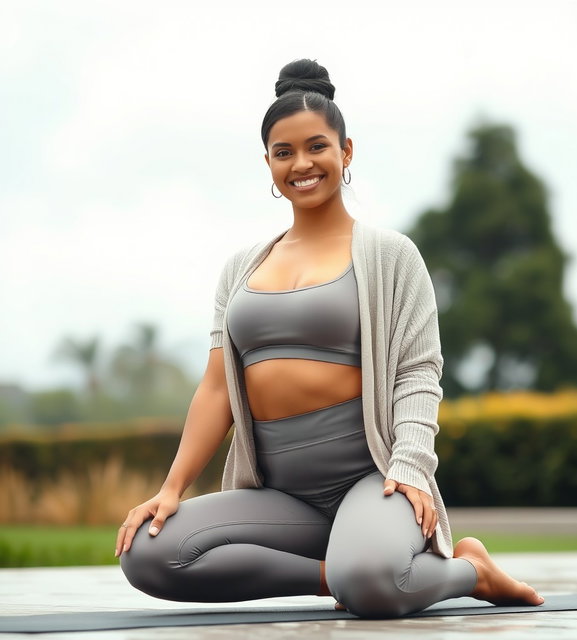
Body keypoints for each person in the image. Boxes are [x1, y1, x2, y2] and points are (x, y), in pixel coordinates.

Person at [116, 58, 544, 618]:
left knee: (372, 582)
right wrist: (171, 489)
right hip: (282, 496)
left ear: (346, 152)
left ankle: (469, 570)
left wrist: (410, 466)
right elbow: (217, 390)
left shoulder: (392, 255)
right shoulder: (240, 269)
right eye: (283, 152)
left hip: (372, 481)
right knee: (149, 553)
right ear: (268, 162)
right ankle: (337, 573)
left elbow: (419, 371)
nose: (302, 164)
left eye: (317, 146)